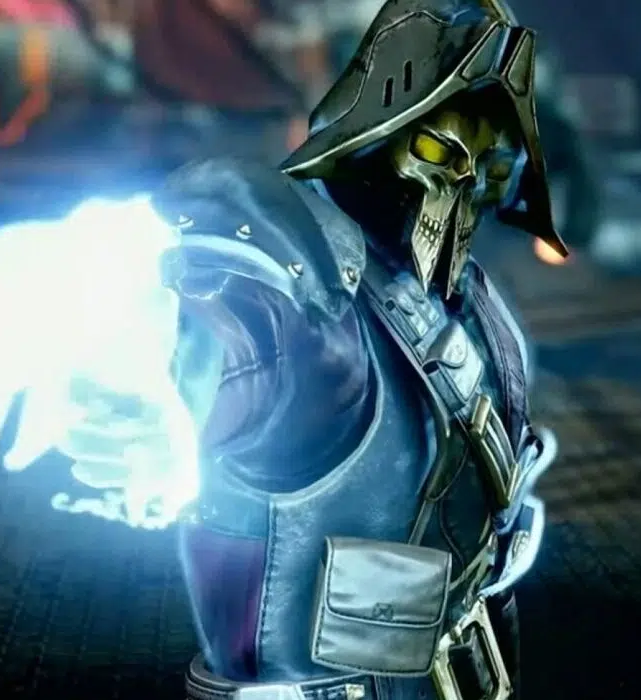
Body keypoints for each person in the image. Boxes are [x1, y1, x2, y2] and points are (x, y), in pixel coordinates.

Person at [115, 1, 565, 698]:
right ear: (377, 136)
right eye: (441, 152)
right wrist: (149, 397)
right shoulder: (306, 305)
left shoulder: (473, 302)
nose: (464, 181)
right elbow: (229, 328)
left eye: (488, 161)